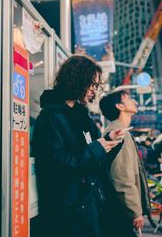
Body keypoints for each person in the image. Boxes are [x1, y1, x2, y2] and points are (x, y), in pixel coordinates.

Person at [31, 55, 124, 237]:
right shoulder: (50, 116)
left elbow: (94, 152)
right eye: (90, 83)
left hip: (90, 204)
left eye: (95, 85)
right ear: (76, 79)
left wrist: (109, 141)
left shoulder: (81, 115)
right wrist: (98, 147)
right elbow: (56, 163)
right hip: (68, 211)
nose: (93, 90)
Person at [99, 90, 151, 237]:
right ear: (120, 106)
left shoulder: (117, 131)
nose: (133, 101)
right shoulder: (119, 133)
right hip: (119, 209)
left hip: (115, 207)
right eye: (128, 98)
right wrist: (135, 211)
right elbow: (122, 176)